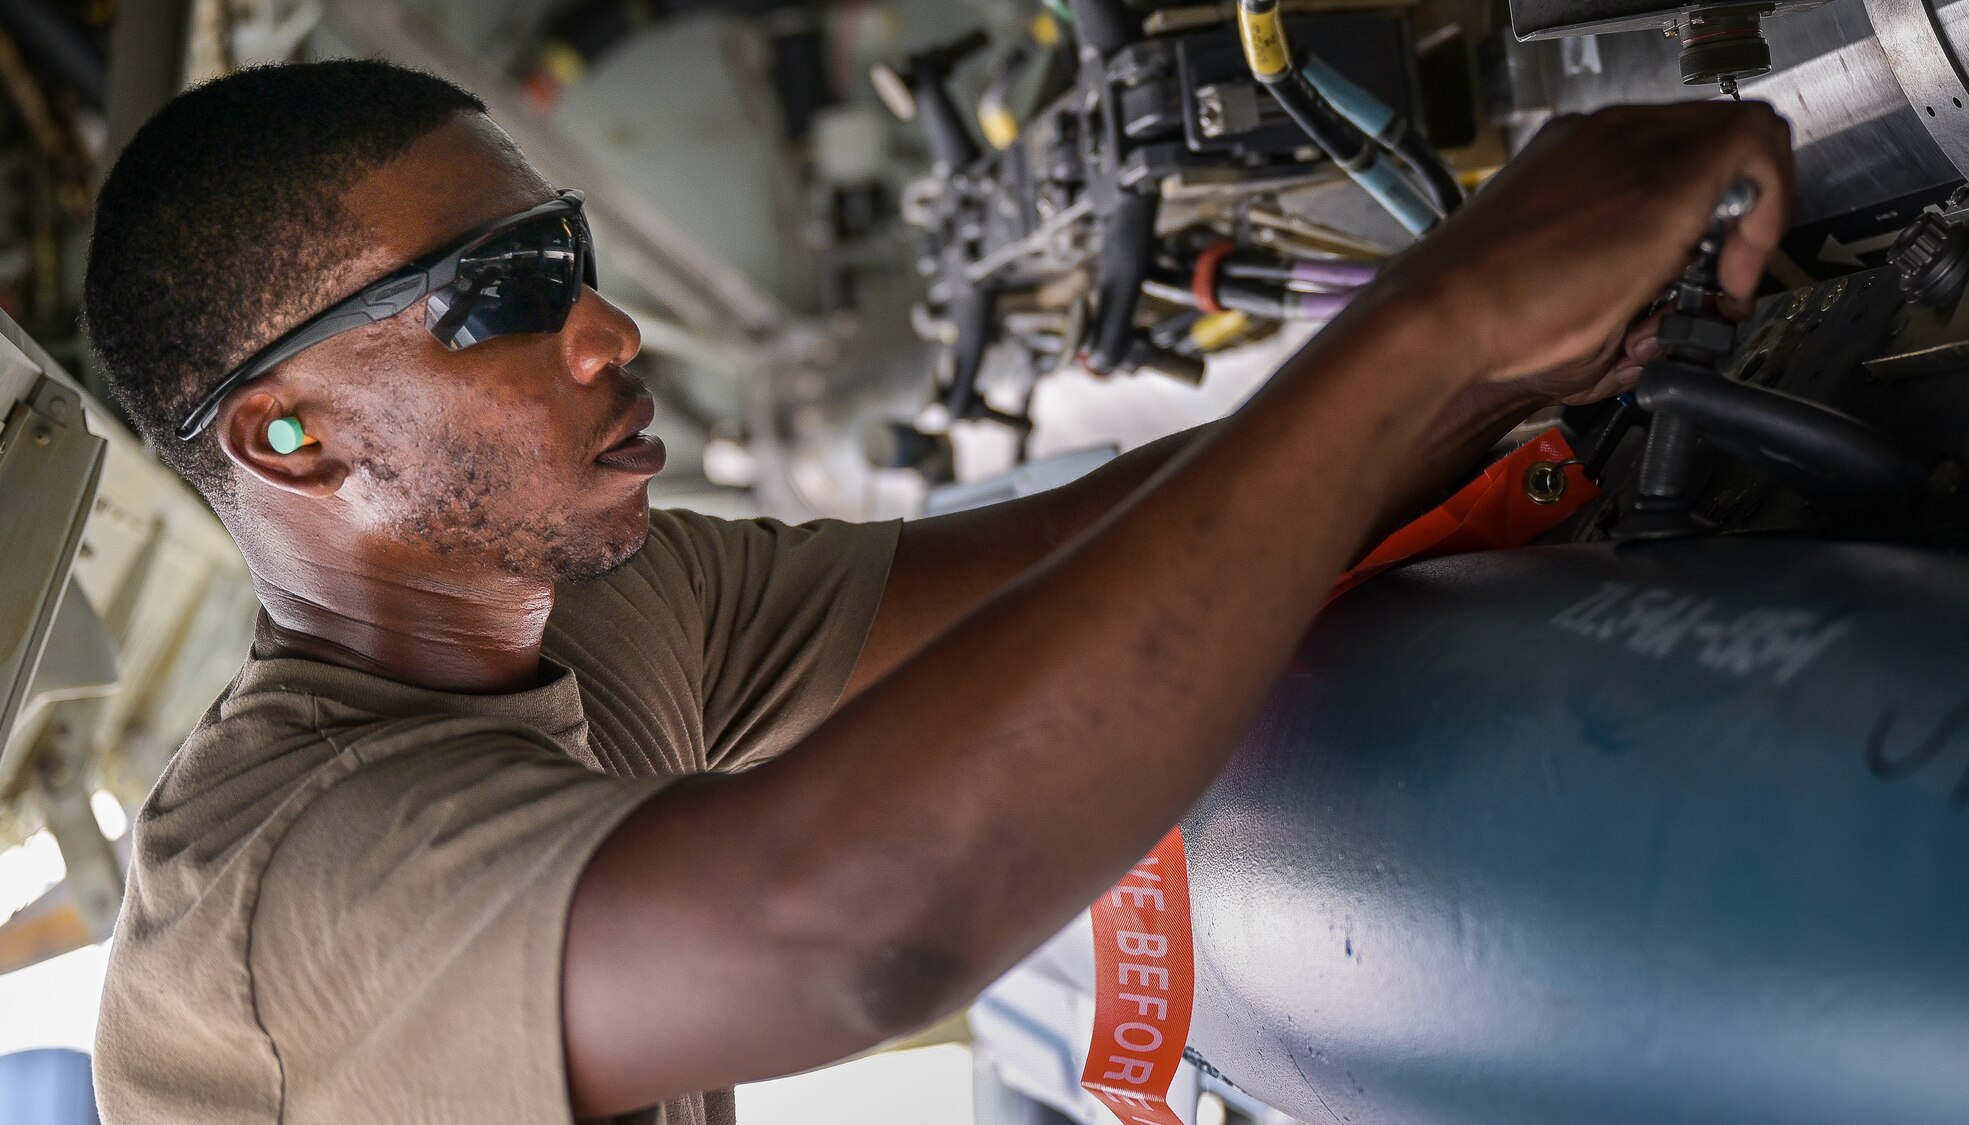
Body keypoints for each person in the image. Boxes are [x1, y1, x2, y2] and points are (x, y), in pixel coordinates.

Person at [81, 59, 1789, 1125]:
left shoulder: (594, 616)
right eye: (505, 294)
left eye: (576, 260)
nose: (609, 335)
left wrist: (1536, 366)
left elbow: (1076, 550)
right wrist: (1449, 315)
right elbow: (849, 928)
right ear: (287, 435)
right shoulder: (272, 904)